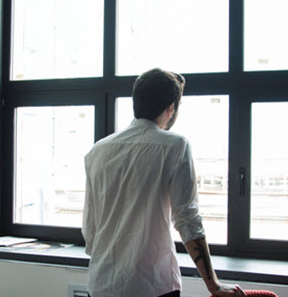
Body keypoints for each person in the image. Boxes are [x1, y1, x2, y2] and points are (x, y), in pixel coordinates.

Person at [82, 68, 246, 297]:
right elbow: (188, 220)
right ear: (171, 108)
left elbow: (90, 229)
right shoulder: (175, 146)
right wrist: (214, 285)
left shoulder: (97, 151)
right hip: (151, 285)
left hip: (102, 285)